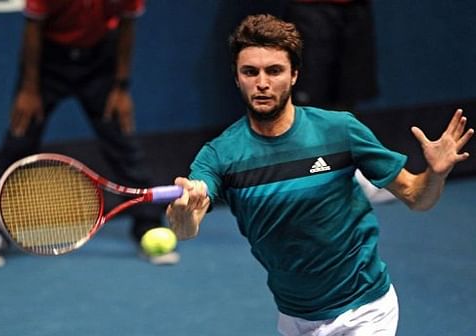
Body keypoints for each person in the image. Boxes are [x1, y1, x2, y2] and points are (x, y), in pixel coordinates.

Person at [165, 14, 473, 335]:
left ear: (294, 75)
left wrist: (435, 174)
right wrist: (185, 211)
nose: (262, 83)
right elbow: (185, 230)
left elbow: (415, 196)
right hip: (294, 318)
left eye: (274, 71)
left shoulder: (340, 130)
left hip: (364, 310)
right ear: (236, 78)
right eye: (250, 72)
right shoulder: (220, 154)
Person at [0, 0, 179, 268]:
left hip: (99, 60)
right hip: (49, 61)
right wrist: (29, 88)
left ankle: (147, 224)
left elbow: (127, 27)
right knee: (19, 140)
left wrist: (121, 87)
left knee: (123, 143)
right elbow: (33, 30)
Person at [282, 0, 396, 203]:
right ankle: (304, 183)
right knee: (308, 104)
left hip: (355, 8)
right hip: (310, 8)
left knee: (346, 97)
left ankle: (348, 176)